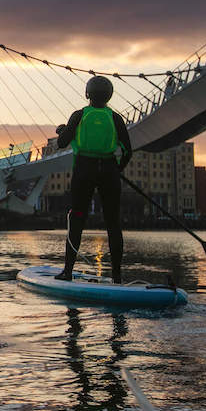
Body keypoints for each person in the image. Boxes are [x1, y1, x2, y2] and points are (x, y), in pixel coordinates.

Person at [54, 75, 132, 283]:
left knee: (77, 218)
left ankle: (68, 272)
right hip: (109, 171)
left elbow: (62, 143)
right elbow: (127, 151)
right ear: (109, 95)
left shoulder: (79, 115)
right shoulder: (116, 118)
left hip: (83, 170)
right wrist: (117, 168)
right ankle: (117, 276)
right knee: (113, 223)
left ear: (87, 94)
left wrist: (63, 130)